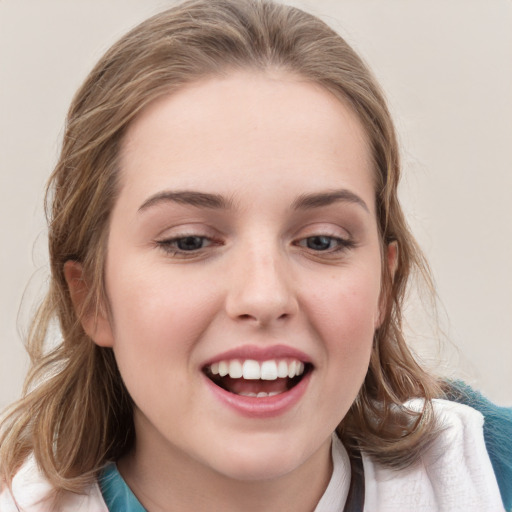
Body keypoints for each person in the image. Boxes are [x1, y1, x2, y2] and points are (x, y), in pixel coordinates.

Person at [0, 0, 510, 510]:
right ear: (92, 299)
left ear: (385, 285)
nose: (264, 297)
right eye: (189, 241)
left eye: (321, 241)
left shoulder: (488, 477)